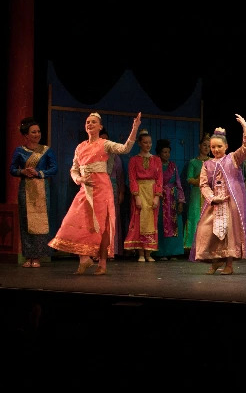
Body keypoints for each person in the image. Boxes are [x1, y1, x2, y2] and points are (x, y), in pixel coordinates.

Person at [49, 112, 141, 275]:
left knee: (101, 226)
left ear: (100, 126)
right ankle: (84, 258)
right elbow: (74, 169)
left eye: (93, 122)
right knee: (75, 220)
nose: (90, 124)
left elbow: (125, 148)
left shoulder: (105, 144)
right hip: (85, 189)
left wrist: (135, 128)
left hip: (102, 189)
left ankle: (102, 264)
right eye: (87, 122)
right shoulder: (80, 147)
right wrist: (79, 179)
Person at [190, 115, 246, 275]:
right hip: (214, 203)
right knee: (207, 230)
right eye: (213, 147)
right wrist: (212, 198)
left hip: (230, 203)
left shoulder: (233, 158)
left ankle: (229, 264)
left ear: (226, 146)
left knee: (230, 234)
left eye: (219, 146)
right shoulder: (207, 164)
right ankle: (215, 260)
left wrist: (245, 127)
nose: (216, 150)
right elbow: (203, 184)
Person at [9, 117, 58, 268]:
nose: (37, 134)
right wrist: (22, 171)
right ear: (26, 135)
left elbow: (54, 168)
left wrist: (39, 173)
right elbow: (12, 169)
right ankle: (28, 256)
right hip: (26, 189)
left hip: (41, 189)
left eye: (38, 131)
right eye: (33, 132)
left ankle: (37, 257)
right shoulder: (19, 151)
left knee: (40, 221)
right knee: (26, 221)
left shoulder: (46, 150)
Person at [123, 129, 163, 262]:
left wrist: (157, 196)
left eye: (150, 142)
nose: (148, 145)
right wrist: (136, 196)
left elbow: (159, 179)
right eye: (145, 142)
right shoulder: (134, 160)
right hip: (140, 192)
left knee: (152, 221)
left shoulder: (156, 160)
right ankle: (140, 252)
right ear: (139, 143)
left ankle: (148, 253)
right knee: (139, 221)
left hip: (152, 192)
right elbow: (132, 179)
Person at [152, 138, 185, 260]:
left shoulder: (173, 166)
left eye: (168, 152)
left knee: (174, 224)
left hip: (172, 198)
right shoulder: (155, 165)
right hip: (160, 198)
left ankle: (173, 252)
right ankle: (160, 253)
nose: (167, 154)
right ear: (159, 153)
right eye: (164, 152)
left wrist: (180, 201)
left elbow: (178, 184)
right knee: (160, 224)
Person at [100, 128, 127, 259]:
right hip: (99, 188)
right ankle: (98, 250)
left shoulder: (115, 157)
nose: (105, 142)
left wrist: (121, 192)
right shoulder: (94, 155)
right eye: (102, 139)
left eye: (107, 139)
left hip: (113, 189)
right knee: (99, 219)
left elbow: (120, 176)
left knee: (112, 218)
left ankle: (112, 249)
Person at [183, 133, 211, 252]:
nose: (206, 148)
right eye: (204, 145)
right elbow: (189, 179)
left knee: (209, 218)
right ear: (199, 146)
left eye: (209, 146)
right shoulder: (193, 162)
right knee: (195, 217)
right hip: (196, 193)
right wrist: (200, 180)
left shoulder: (213, 162)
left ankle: (208, 246)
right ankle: (193, 246)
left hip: (209, 194)